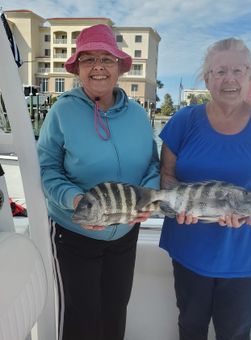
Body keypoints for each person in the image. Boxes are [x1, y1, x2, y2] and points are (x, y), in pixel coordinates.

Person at [159, 38, 251, 340]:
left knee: (235, 333)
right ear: (207, 78)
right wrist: (182, 205)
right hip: (189, 246)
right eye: (220, 72)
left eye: (238, 70)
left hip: (248, 253)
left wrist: (250, 204)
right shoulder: (184, 120)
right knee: (190, 327)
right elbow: (166, 178)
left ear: (250, 75)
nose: (229, 79)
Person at [37, 24, 159, 340]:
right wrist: (76, 200)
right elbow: (47, 169)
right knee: (80, 317)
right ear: (77, 67)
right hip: (73, 233)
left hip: (125, 233)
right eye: (88, 59)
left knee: (116, 310)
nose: (98, 67)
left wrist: (147, 198)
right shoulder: (62, 111)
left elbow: (151, 165)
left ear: (119, 66)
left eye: (106, 58)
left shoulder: (137, 114)